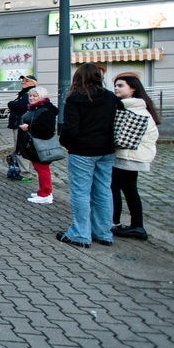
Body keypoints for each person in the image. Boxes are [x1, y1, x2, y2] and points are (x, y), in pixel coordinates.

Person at [57, 62, 120, 248]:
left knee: (80, 192)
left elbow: (70, 129)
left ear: (79, 77)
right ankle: (103, 233)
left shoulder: (76, 98)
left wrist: (67, 144)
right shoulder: (110, 97)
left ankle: (80, 234)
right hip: (106, 150)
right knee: (103, 191)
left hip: (82, 151)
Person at [111, 74, 160, 241]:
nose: (116, 88)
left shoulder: (131, 108)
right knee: (129, 189)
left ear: (132, 88)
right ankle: (136, 225)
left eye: (120, 85)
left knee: (114, 188)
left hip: (128, 156)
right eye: (116, 85)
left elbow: (121, 138)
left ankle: (115, 223)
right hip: (132, 156)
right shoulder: (139, 106)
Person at [16, 86, 59, 204]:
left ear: (42, 97)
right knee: (40, 169)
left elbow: (47, 129)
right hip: (35, 143)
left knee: (43, 169)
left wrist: (29, 127)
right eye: (30, 95)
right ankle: (44, 191)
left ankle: (45, 193)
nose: (31, 98)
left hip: (41, 145)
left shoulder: (44, 110)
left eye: (35, 96)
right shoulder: (36, 108)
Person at [6, 75, 38, 183]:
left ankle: (25, 173)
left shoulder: (28, 95)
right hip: (18, 124)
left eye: (26, 80)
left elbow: (15, 105)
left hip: (22, 125)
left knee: (21, 149)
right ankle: (20, 170)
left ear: (32, 83)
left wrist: (11, 104)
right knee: (18, 148)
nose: (23, 82)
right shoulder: (23, 94)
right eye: (22, 80)